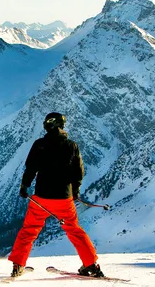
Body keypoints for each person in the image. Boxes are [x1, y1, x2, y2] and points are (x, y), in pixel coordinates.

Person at [7, 112, 103, 278]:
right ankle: (91, 265)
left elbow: (30, 168)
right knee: (74, 230)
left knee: (29, 231)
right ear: (62, 125)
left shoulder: (39, 144)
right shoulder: (71, 145)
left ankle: (18, 265)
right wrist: (75, 191)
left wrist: (24, 186)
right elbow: (78, 172)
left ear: (47, 125)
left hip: (41, 199)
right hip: (64, 199)